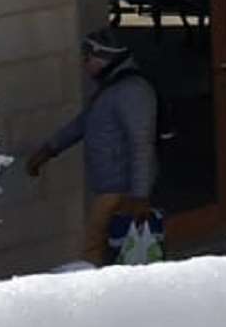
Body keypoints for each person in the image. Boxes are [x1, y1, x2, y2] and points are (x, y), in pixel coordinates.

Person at [26, 29, 160, 265]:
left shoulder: (132, 91)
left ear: (102, 58)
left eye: (87, 59)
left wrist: (139, 196)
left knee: (95, 249)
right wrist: (49, 150)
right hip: (111, 189)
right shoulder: (110, 89)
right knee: (106, 250)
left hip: (121, 191)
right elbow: (83, 123)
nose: (84, 66)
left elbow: (141, 144)